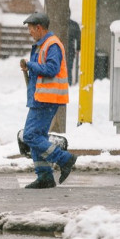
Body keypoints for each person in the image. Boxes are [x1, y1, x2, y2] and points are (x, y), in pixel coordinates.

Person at [19, 11, 77, 189]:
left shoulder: (52, 44)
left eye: (31, 29)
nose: (29, 32)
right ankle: (44, 176)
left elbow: (51, 68)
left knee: (29, 136)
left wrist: (30, 65)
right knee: (37, 137)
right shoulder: (41, 45)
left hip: (47, 98)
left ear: (39, 28)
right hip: (40, 97)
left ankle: (65, 159)